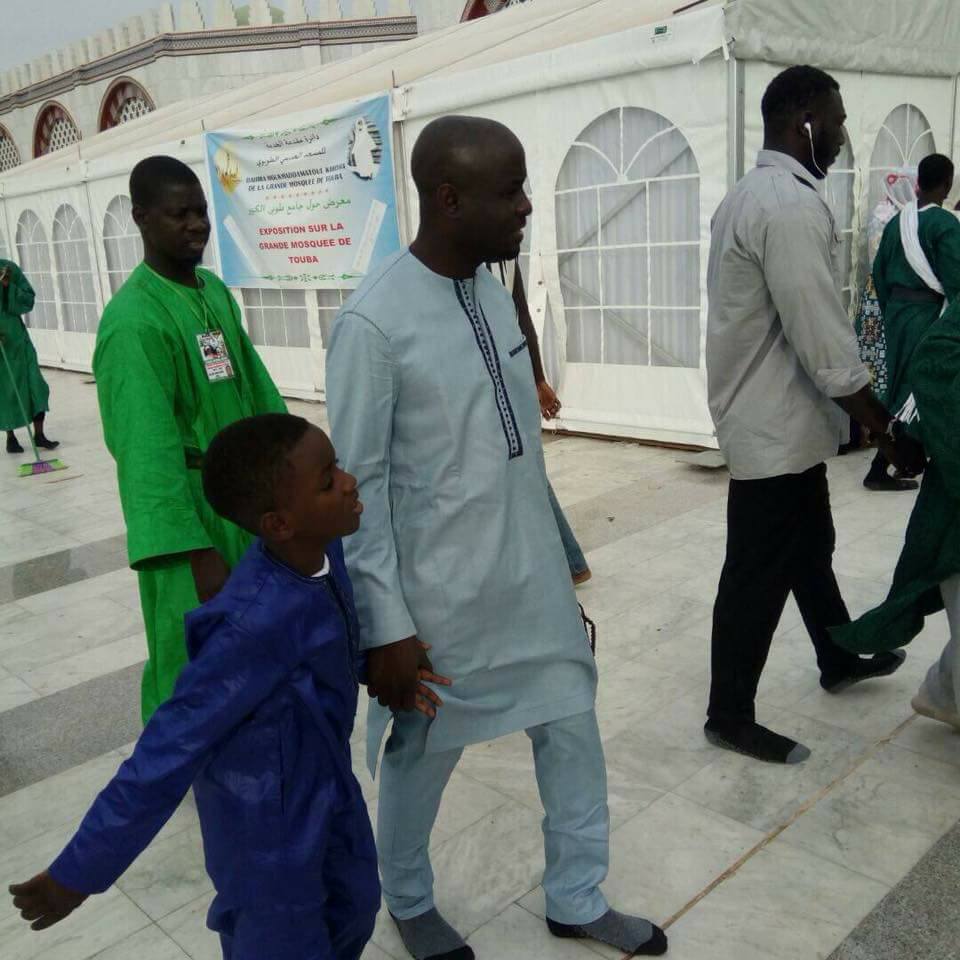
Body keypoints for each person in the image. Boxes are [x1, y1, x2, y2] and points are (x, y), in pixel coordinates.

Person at [326, 116, 667, 960]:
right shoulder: (374, 323)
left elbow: (516, 452)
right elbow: (360, 492)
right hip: (440, 597)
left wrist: (560, 559)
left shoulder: (488, 287)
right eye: (510, 191)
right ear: (449, 200)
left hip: (530, 579)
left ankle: (576, 896)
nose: (525, 206)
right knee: (421, 753)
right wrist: (387, 627)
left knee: (571, 724)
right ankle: (409, 901)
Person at [8, 414, 399, 960]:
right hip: (267, 827)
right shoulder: (248, 627)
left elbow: (328, 639)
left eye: (337, 467)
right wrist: (78, 871)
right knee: (281, 942)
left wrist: (379, 663)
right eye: (328, 480)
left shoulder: (324, 555)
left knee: (354, 907)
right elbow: (167, 749)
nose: (350, 482)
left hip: (329, 784)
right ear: (279, 523)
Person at [704, 65, 926, 765]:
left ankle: (838, 657)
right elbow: (823, 340)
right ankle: (728, 715)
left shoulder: (753, 194)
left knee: (808, 547)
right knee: (754, 576)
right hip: (771, 425)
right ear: (804, 121)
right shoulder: (787, 206)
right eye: (837, 119)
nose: (842, 133)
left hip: (784, 423)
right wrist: (886, 431)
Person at [94, 155, 286, 724]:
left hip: (242, 503)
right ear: (141, 218)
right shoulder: (133, 321)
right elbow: (143, 452)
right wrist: (193, 549)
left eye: (201, 212)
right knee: (193, 667)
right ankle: (183, 761)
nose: (197, 225)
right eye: (179, 214)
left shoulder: (212, 290)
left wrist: (289, 474)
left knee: (255, 649)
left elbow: (256, 389)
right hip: (190, 523)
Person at [863, 154, 960, 490]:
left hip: (897, 314)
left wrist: (894, 311)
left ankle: (899, 460)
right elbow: (956, 279)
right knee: (917, 389)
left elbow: (878, 273)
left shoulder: (897, 222)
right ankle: (890, 464)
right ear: (947, 184)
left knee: (898, 387)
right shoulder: (945, 224)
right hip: (929, 317)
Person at [492, 259, 592, 585]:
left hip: (504, 385)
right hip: (506, 382)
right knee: (525, 474)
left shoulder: (499, 258)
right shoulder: (495, 256)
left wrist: (537, 380)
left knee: (525, 474)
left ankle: (569, 563)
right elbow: (522, 317)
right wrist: (536, 379)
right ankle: (569, 563)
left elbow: (521, 317)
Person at [0, 259, 59, 454]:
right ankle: (11, 438)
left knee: (36, 386)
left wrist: (9, 287)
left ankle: (39, 435)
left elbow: (28, 300)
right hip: (2, 348)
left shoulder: (8, 268)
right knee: (6, 391)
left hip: (19, 340)